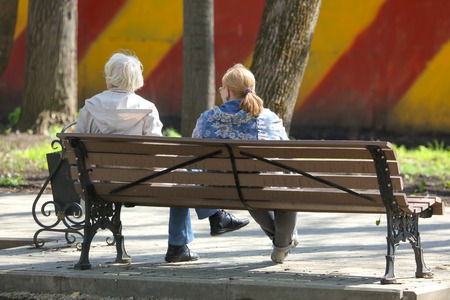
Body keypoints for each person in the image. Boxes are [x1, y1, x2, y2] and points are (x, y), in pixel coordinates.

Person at [75, 50, 249, 263]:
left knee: (183, 174)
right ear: (136, 80)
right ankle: (184, 241)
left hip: (100, 183)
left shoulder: (90, 107)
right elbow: (156, 153)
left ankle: (212, 221)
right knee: (183, 176)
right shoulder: (147, 109)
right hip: (141, 184)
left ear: (110, 76)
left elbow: (78, 149)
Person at [191, 63, 299, 264]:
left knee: (251, 189)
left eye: (221, 88)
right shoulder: (268, 118)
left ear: (228, 92)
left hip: (218, 190)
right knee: (282, 188)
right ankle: (282, 244)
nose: (220, 91)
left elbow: (192, 156)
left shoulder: (207, 119)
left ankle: (282, 242)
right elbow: (286, 156)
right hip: (257, 187)